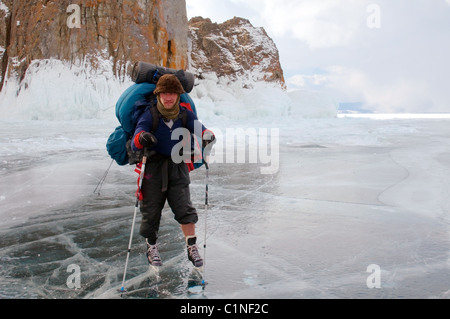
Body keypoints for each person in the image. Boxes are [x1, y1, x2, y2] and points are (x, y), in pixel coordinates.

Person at [131, 74, 215, 268]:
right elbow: (138, 135)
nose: (168, 98)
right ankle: (151, 247)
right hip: (152, 167)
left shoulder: (184, 114)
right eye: (164, 94)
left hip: (177, 165)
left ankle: (191, 247)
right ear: (158, 95)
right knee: (151, 211)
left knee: (184, 207)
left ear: (178, 96)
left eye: (172, 94)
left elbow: (199, 128)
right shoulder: (149, 114)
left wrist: (207, 135)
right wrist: (142, 137)